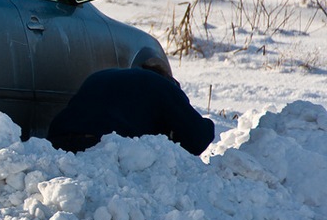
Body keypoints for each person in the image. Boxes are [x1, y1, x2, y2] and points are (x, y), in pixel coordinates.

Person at [47, 60, 215, 155]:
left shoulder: (105, 75)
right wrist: (209, 124)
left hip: (57, 143)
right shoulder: (164, 86)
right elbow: (197, 138)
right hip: (99, 146)